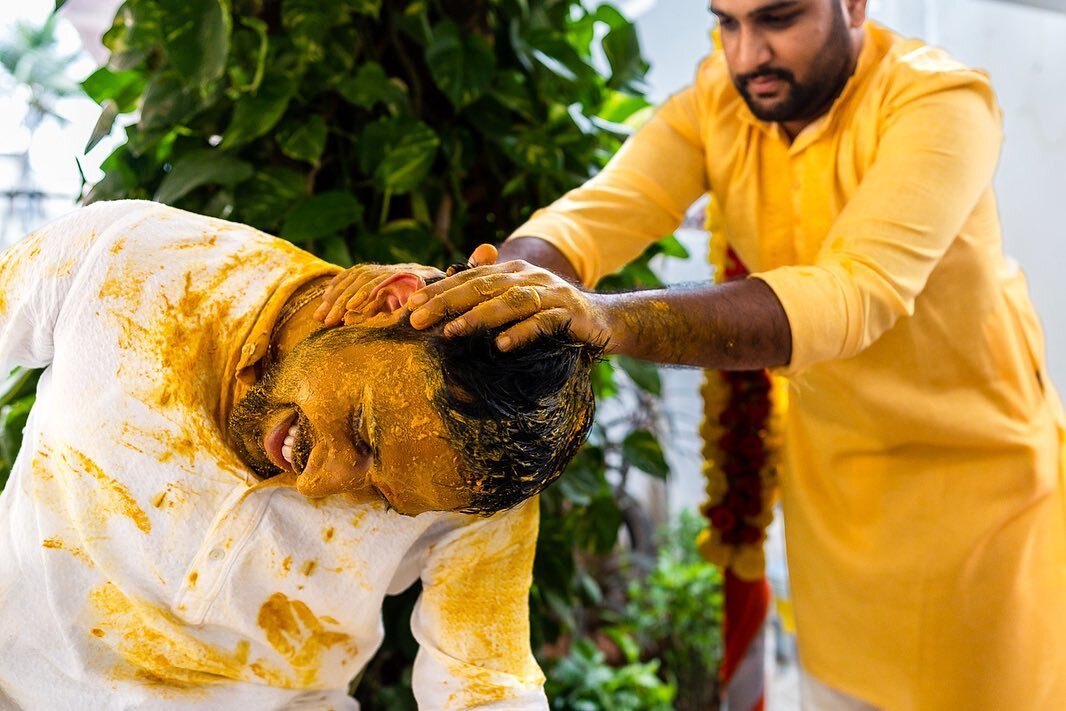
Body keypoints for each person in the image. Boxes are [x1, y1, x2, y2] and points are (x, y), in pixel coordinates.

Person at [321, 0, 1066, 708]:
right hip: (838, 510)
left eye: (778, 19)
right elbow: (596, 215)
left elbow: (851, 295)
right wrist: (502, 289)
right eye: (728, 23)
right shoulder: (722, 102)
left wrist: (604, 319)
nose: (748, 54)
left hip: (983, 512)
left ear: (854, 6)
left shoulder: (939, 103)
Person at [0, 199, 600, 709]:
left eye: (382, 498)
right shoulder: (128, 257)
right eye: (365, 434)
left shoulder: (476, 490)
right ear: (389, 301)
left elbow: (485, 684)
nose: (322, 484)